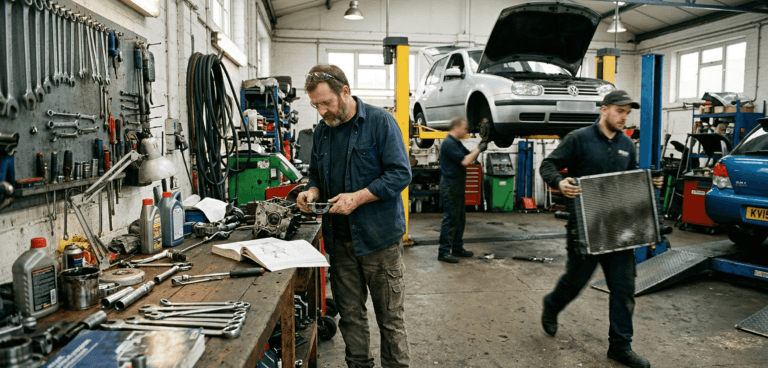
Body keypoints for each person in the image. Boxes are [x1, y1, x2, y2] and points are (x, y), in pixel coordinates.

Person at [296, 64, 412, 368]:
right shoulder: (323, 132)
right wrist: (312, 192)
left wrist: (358, 198)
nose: (321, 111)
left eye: (326, 102)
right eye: (316, 105)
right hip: (342, 242)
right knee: (351, 318)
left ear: (344, 92)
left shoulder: (380, 122)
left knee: (390, 321)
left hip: (379, 242)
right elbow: (315, 174)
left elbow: (401, 173)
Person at [538, 90, 663, 368]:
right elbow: (548, 165)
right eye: (620, 111)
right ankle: (552, 304)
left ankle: (620, 346)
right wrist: (560, 182)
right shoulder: (578, 139)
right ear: (605, 109)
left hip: (619, 230)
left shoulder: (627, 145)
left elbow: (627, 181)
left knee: (624, 288)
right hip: (586, 229)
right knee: (575, 281)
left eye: (627, 113)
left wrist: (647, 185)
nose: (624, 117)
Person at [437, 118, 487, 263]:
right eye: (464, 128)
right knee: (451, 219)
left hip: (457, 185)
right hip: (450, 186)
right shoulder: (449, 143)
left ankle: (457, 248)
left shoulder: (457, 143)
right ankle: (444, 252)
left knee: (459, 219)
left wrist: (479, 146)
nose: (466, 131)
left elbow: (468, 156)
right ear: (456, 127)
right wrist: (480, 148)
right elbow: (465, 161)